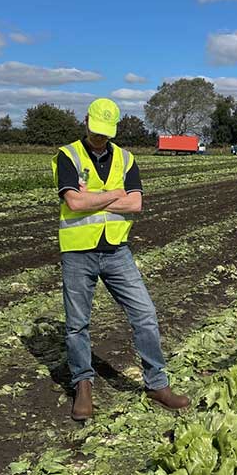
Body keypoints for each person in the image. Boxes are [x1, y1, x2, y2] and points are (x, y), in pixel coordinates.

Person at [53, 98, 189, 421]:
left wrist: (94, 200)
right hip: (78, 252)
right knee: (77, 325)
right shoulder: (67, 155)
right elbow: (73, 201)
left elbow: (136, 205)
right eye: (96, 131)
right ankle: (83, 386)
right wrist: (115, 195)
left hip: (116, 250)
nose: (100, 139)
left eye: (106, 133)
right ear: (86, 121)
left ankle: (157, 384)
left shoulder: (127, 159)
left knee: (145, 313)